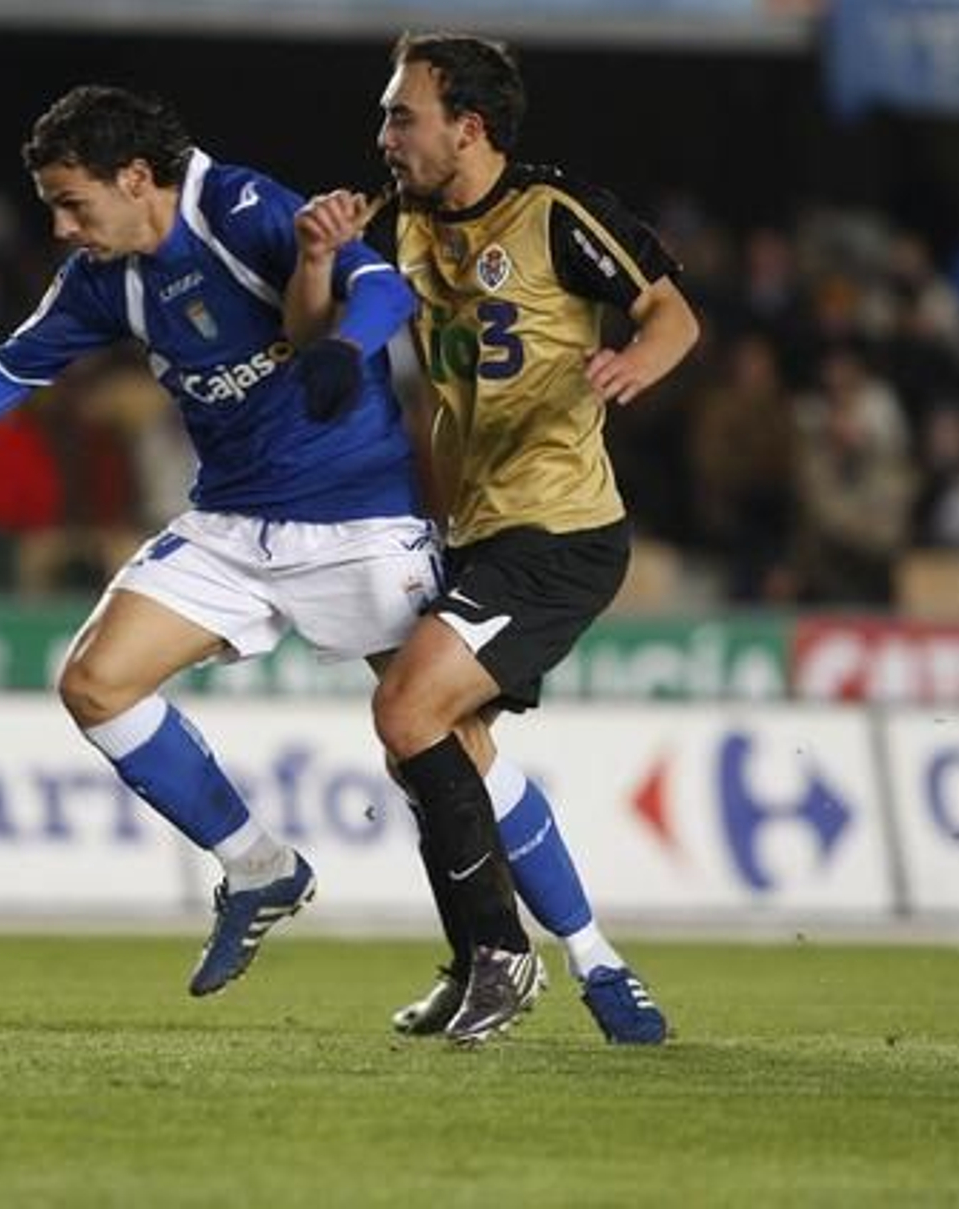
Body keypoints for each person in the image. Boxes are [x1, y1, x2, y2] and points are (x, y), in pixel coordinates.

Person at [0, 86, 638, 1035]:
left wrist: (341, 353)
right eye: (53, 211)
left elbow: (379, 285)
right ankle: (259, 865)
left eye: (75, 205)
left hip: (356, 520)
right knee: (94, 682)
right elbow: (11, 367)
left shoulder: (233, 208)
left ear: (136, 178)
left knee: (450, 754)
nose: (64, 229)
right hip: (232, 524)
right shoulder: (103, 278)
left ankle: (598, 958)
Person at [305, 33, 699, 1043]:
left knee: (405, 712)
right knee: (445, 753)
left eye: (402, 114)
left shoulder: (552, 214)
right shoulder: (392, 226)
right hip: (471, 532)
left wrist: (636, 365)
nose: (382, 133)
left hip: (561, 531)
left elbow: (668, 312)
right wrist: (317, 258)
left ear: (466, 126)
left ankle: (498, 958)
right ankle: (601, 970)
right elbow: (311, 338)